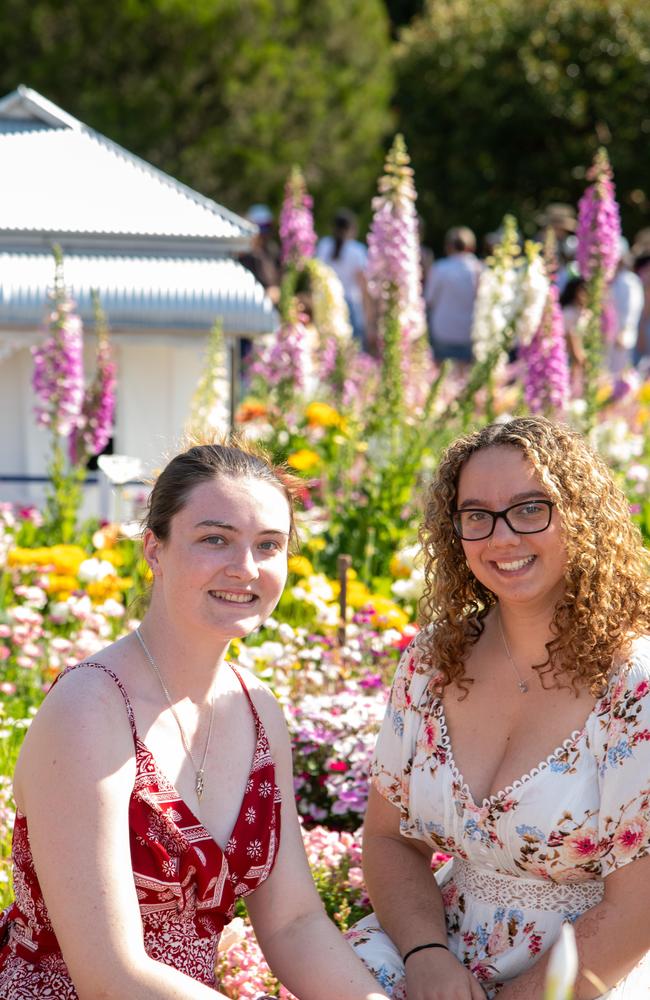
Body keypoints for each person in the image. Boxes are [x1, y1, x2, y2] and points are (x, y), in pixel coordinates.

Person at [0, 440, 389, 1000]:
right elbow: (110, 974)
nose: (245, 568)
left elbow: (293, 923)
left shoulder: (257, 708)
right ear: (154, 549)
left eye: (268, 545)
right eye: (215, 539)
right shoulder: (90, 708)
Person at [348, 417, 650, 999]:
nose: (502, 537)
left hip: (585, 971)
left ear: (580, 517)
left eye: (530, 508)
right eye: (477, 515)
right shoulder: (434, 659)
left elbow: (639, 908)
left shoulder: (632, 682)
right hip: (435, 948)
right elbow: (390, 841)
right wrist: (426, 956)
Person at [424, 227, 482, 364]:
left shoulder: (440, 269)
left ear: (448, 246)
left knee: (441, 379)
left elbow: (429, 300)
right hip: (469, 332)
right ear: (471, 247)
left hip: (443, 332)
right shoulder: (479, 269)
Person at [316, 209, 370, 350]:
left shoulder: (324, 246)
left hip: (325, 304)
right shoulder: (357, 250)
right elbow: (363, 286)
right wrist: (369, 317)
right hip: (351, 305)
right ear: (352, 229)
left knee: (329, 348)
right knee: (354, 349)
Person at [606, 237, 644, 375]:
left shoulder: (628, 281)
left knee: (619, 374)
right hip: (607, 336)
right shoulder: (609, 280)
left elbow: (632, 308)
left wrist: (624, 330)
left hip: (621, 336)